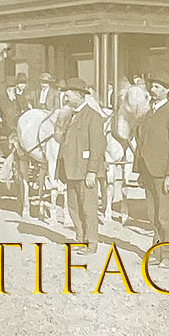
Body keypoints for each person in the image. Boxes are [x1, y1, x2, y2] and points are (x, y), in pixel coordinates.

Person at [132, 79, 169, 242]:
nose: (152, 89)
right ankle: (157, 252)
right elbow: (142, 144)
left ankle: (168, 255)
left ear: (167, 91)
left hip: (163, 174)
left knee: (165, 216)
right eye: (152, 86)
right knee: (153, 215)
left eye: (157, 87)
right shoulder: (149, 114)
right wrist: (140, 171)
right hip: (148, 172)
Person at [53, 80, 107, 243]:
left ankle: (91, 243)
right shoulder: (69, 115)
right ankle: (80, 239)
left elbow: (97, 146)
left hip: (84, 172)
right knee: (73, 208)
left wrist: (91, 171)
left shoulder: (93, 116)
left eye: (68, 95)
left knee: (88, 210)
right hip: (70, 171)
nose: (66, 98)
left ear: (79, 95)